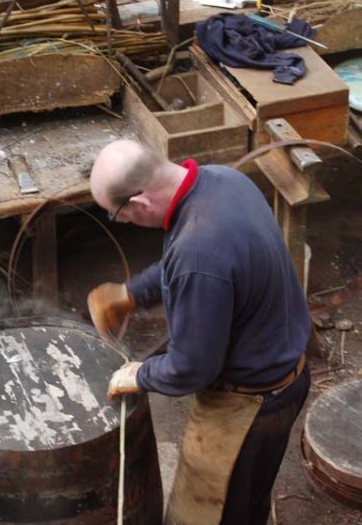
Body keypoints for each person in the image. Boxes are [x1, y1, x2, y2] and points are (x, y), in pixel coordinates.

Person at [87, 139, 311, 525]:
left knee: (221, 514)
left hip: (251, 405)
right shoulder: (224, 180)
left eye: (117, 215)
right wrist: (132, 293)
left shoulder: (199, 251)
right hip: (287, 371)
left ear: (138, 204)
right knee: (249, 496)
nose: (122, 222)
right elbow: (188, 263)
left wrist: (140, 374)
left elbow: (192, 369)